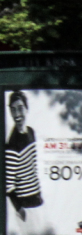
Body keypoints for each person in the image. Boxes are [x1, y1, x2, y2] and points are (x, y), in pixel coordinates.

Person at [5, 91, 42, 221]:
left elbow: (33, 167)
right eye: (13, 110)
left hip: (38, 199)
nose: (17, 114)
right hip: (26, 207)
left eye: (20, 108)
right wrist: (20, 210)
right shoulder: (12, 145)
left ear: (27, 108)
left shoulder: (31, 132)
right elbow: (8, 186)